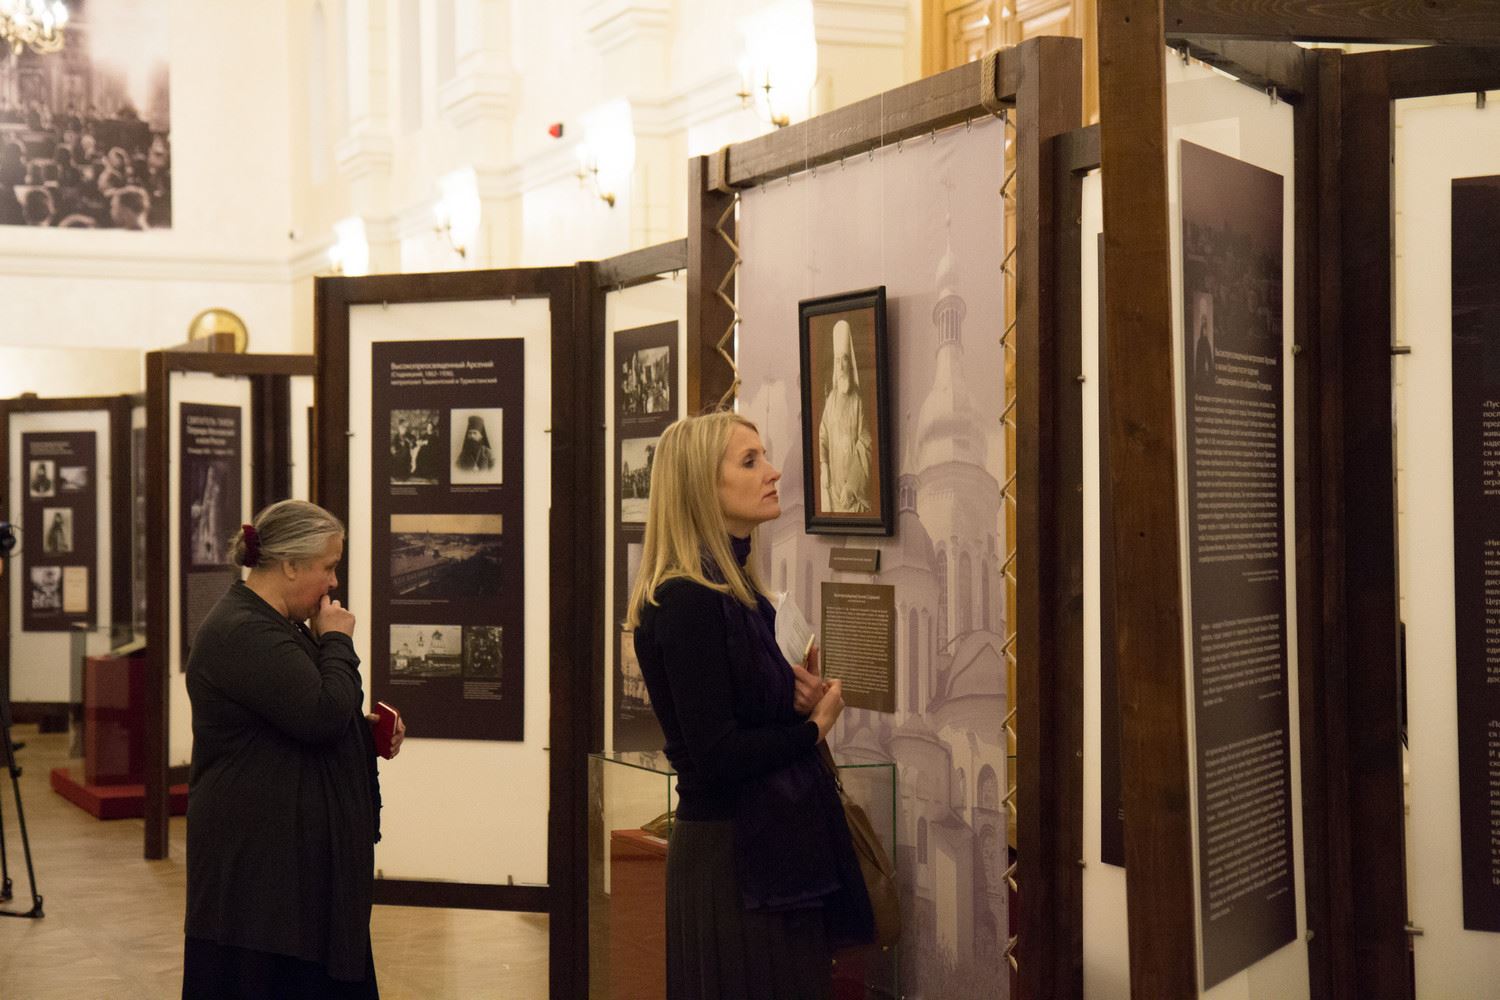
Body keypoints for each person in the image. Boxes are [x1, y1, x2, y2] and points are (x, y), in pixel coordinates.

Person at [627, 411, 873, 999]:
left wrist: (794, 701)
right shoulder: (686, 601)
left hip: (773, 853)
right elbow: (715, 756)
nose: (773, 471)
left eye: (763, 456)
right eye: (750, 461)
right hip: (732, 861)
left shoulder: (741, 595)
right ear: (700, 487)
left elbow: (742, 718)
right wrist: (814, 728)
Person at [182, 499, 405, 1000]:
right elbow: (320, 714)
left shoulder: (275, 626)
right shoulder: (245, 631)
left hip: (286, 875)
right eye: (327, 567)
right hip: (263, 885)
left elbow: (295, 711)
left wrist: (360, 728)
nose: (333, 583)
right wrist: (338, 642)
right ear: (289, 564)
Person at [817, 319, 873, 514]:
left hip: (852, 494)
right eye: (837, 360)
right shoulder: (831, 400)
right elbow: (823, 435)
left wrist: (852, 485)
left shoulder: (857, 400)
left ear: (851, 363)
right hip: (833, 490)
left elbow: (865, 442)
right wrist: (824, 466)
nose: (840, 366)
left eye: (845, 359)